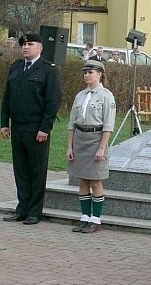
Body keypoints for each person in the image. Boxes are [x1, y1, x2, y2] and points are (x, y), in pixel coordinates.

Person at [1, 32, 62, 225]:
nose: (26, 47)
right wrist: (4, 122)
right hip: (18, 127)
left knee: (36, 170)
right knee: (21, 170)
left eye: (31, 44)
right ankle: (22, 208)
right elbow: (7, 98)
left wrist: (45, 128)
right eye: (24, 45)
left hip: (37, 129)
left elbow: (53, 102)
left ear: (40, 48)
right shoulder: (16, 67)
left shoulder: (48, 70)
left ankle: (34, 212)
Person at [67, 60, 116, 233]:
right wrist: (69, 146)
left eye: (91, 72)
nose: (87, 75)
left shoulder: (106, 96)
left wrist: (102, 148)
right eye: (85, 72)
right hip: (80, 139)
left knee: (95, 180)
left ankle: (96, 220)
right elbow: (72, 123)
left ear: (100, 74)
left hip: (95, 139)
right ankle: (85, 217)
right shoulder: (80, 95)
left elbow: (108, 125)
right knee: (82, 179)